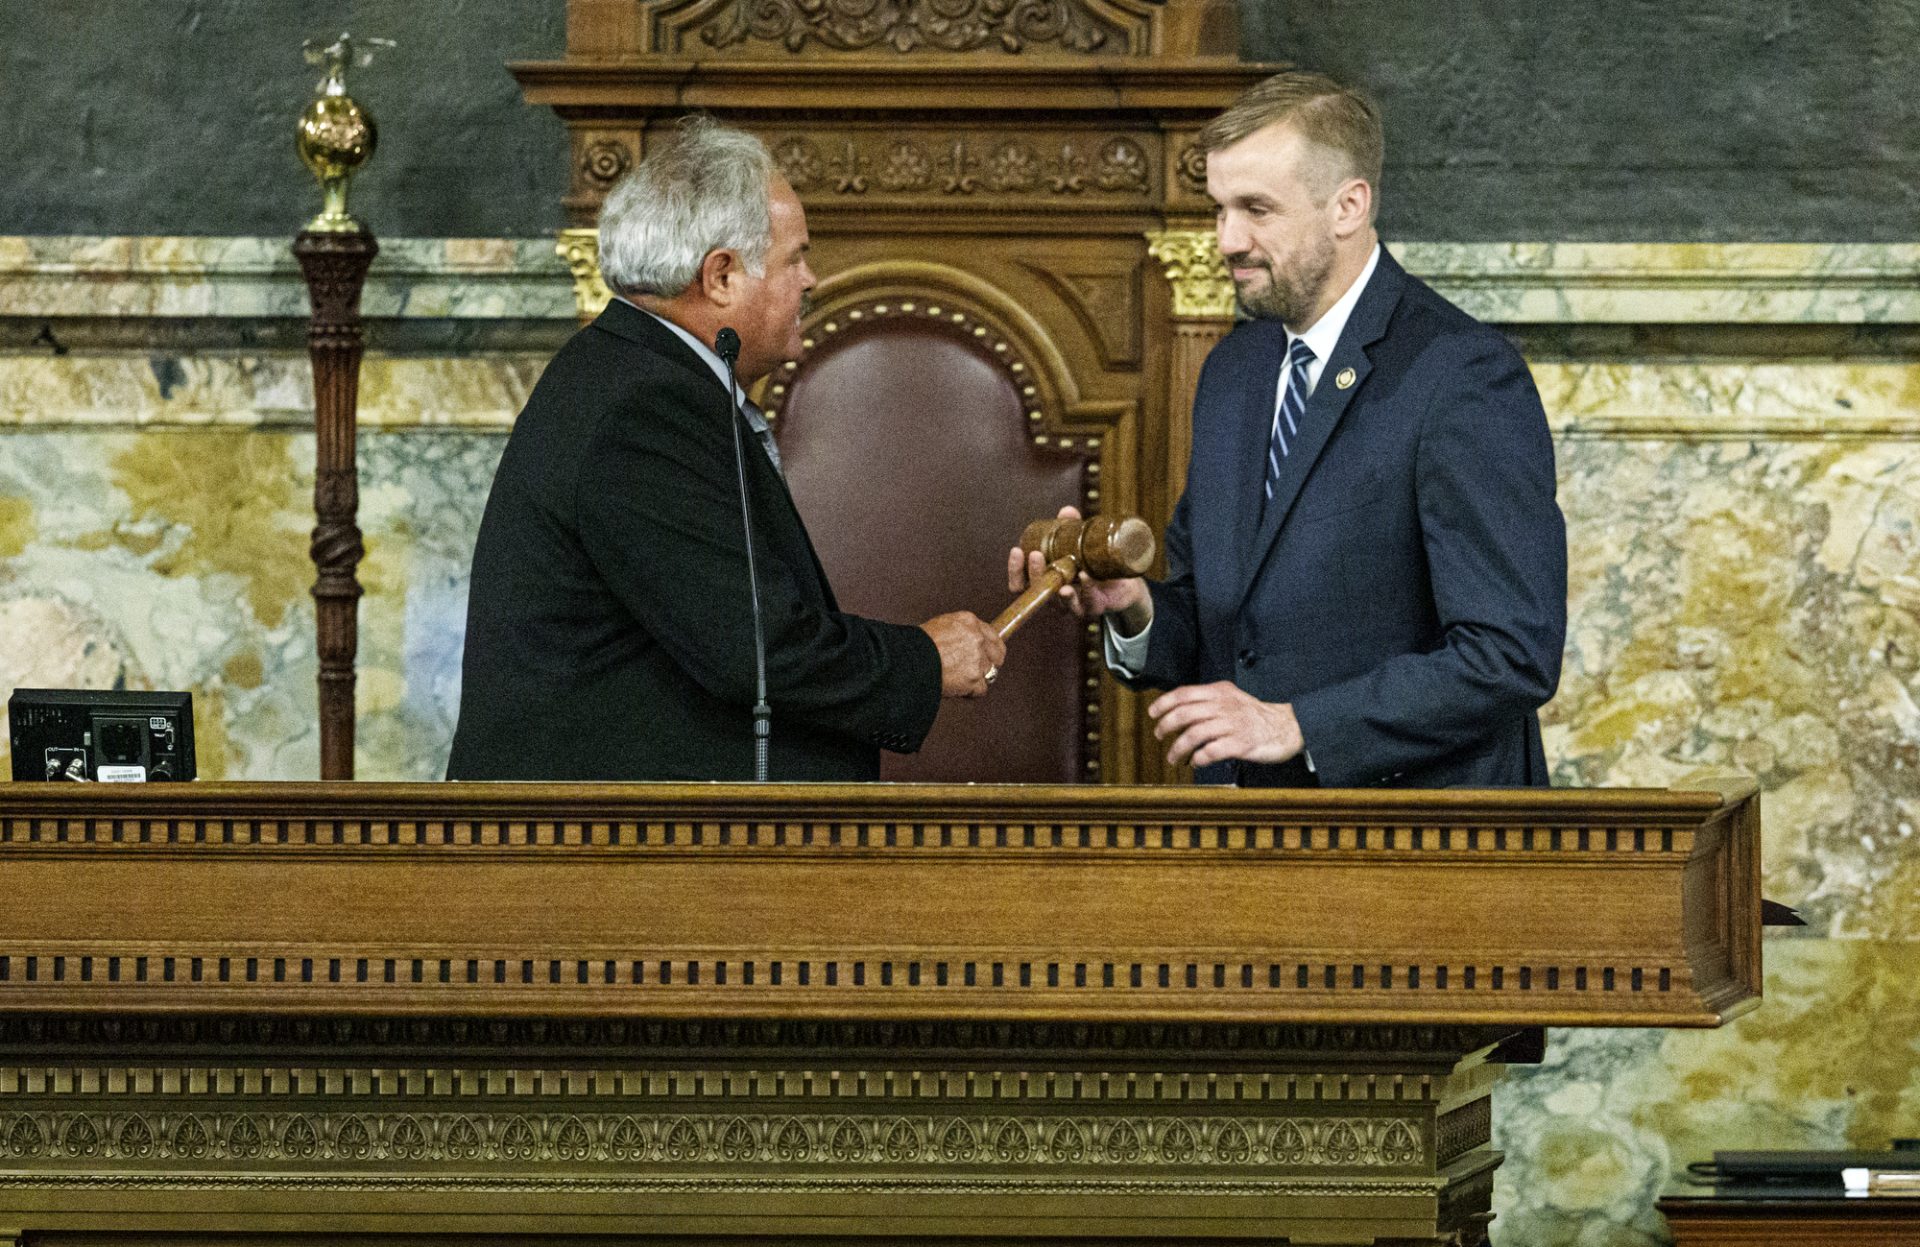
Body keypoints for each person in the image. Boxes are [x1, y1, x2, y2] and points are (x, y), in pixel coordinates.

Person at [1012, 71, 1565, 788]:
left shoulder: (1462, 375)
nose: (1226, 239)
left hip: (1416, 852)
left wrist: (1297, 724)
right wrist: (1136, 606)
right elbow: (1226, 628)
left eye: (1256, 210)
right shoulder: (1234, 371)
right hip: (1249, 847)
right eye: (1218, 210)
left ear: (1349, 206)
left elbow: (1511, 651)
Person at [449, 117, 1004, 781]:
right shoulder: (643, 407)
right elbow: (755, 649)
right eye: (794, 256)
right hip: (602, 857)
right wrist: (924, 660)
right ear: (719, 277)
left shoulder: (630, 375)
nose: (811, 279)